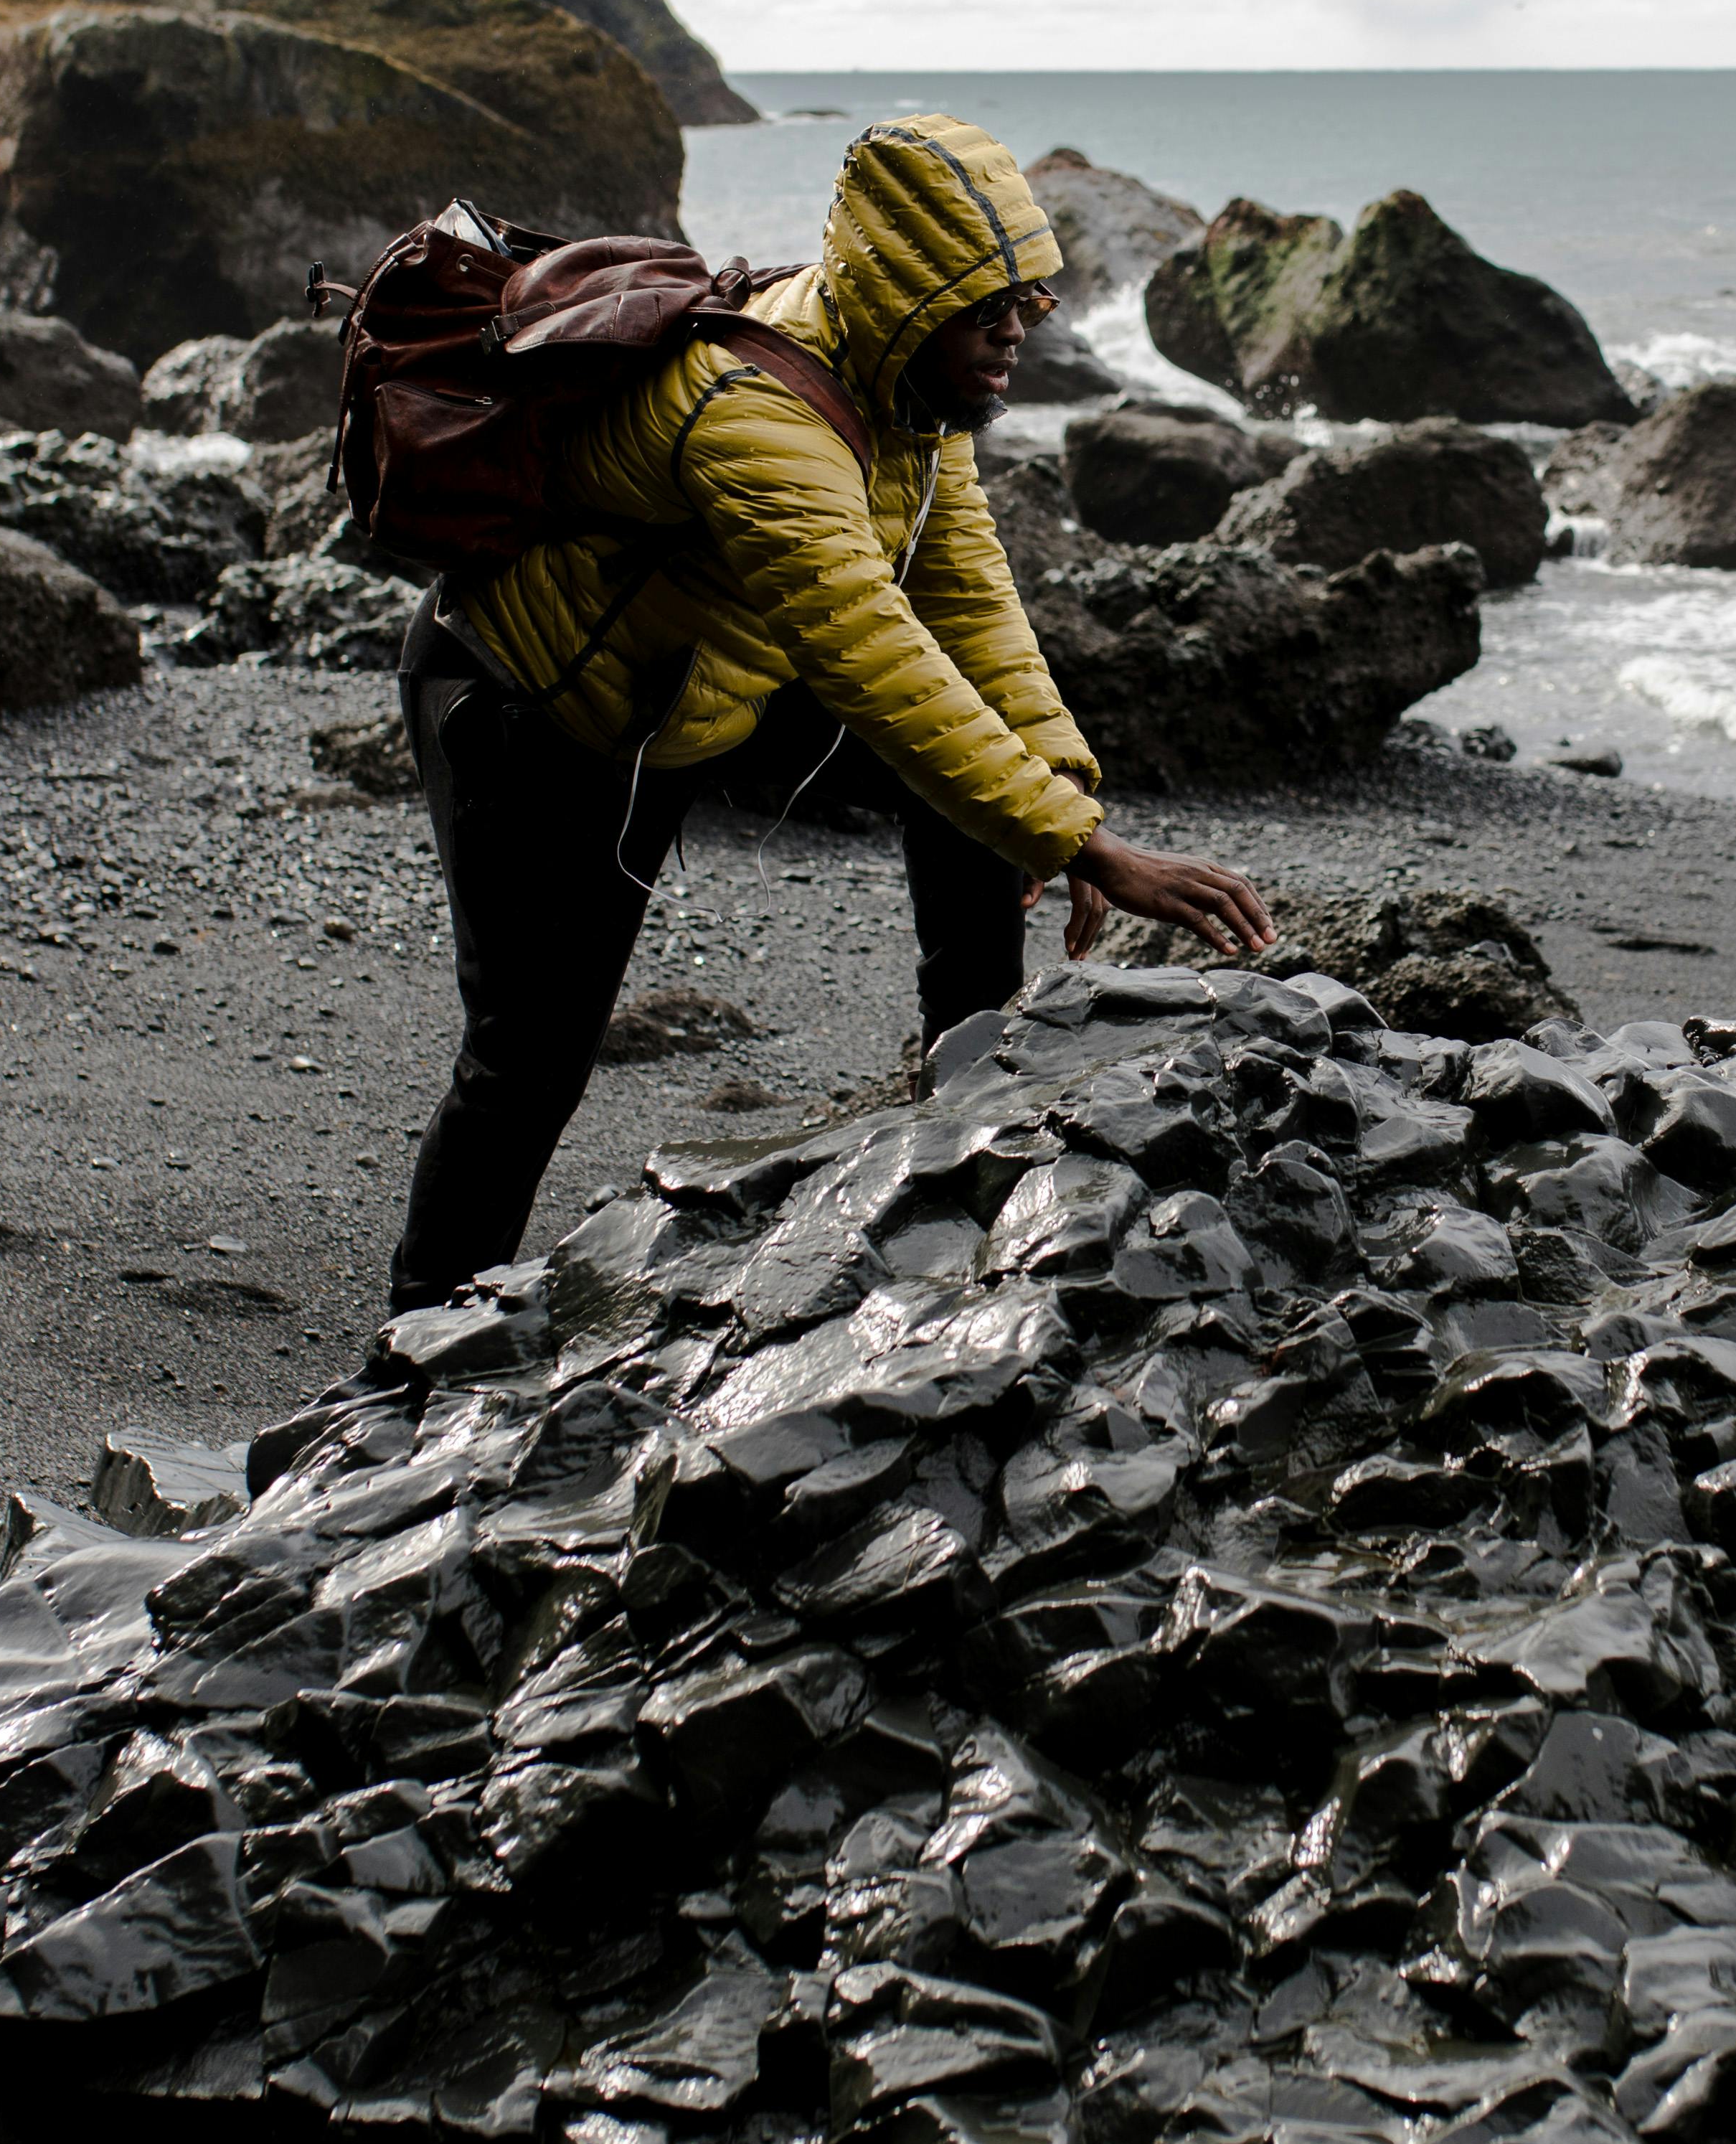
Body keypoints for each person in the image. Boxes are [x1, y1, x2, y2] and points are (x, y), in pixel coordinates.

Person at [389, 113, 1274, 1304]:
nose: (1017, 333)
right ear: (910, 296)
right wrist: (1094, 852)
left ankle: (974, 1114)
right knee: (529, 1059)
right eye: (986, 308)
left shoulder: (909, 392)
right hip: (528, 705)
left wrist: (1060, 793)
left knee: (976, 785)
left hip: (693, 685)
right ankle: (412, 1363)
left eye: (1031, 303)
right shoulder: (758, 414)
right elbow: (870, 652)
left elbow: (967, 598)